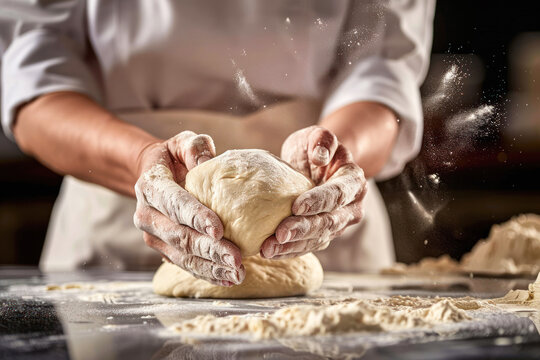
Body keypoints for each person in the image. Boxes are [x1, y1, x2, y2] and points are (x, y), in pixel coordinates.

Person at [0, 1, 434, 285]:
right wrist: (142, 163)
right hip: (118, 227)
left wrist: (333, 157)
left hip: (319, 226)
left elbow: (380, 71)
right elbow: (36, 82)